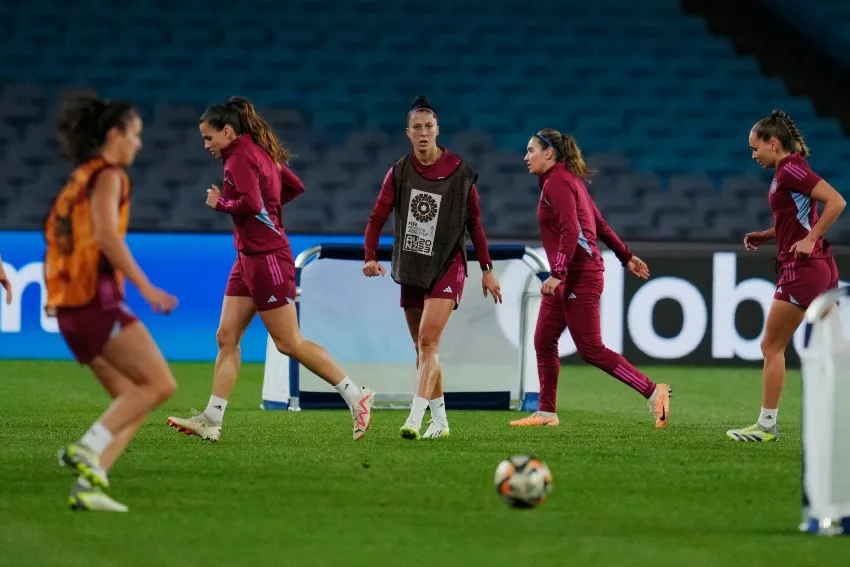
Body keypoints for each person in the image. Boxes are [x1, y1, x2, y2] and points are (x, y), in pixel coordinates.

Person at [167, 96, 374, 442]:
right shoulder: (261, 152)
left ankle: (357, 396)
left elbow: (249, 203)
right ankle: (212, 419)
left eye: (208, 137)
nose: (206, 145)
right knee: (226, 337)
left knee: (288, 342)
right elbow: (294, 187)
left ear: (228, 132)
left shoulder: (239, 159)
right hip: (248, 257)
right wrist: (270, 210)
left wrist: (222, 204)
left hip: (266, 259)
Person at [46, 94, 179, 512]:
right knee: (160, 384)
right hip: (95, 301)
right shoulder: (110, 176)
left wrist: (56, 294)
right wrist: (146, 287)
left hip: (70, 306)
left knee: (129, 398)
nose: (138, 144)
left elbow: (59, 237)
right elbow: (106, 237)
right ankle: (88, 448)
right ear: (114, 135)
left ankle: (89, 487)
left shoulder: (78, 178)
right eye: (135, 134)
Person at [363, 95, 502, 440]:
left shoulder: (461, 172)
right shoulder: (398, 172)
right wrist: (369, 256)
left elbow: (476, 224)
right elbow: (376, 217)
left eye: (429, 127)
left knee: (428, 342)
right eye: (417, 128)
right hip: (411, 265)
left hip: (448, 264)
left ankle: (414, 417)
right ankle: (440, 421)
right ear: (407, 133)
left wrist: (486, 267)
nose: (423, 132)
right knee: (423, 348)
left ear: (438, 130)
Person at [511, 129, 671, 428]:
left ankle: (654, 391)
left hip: (579, 275)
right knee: (543, 340)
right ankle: (546, 413)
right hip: (573, 274)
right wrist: (626, 256)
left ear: (549, 153)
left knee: (591, 349)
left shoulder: (558, 183)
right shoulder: (567, 181)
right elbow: (598, 223)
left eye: (531, 150)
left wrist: (557, 274)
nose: (526, 156)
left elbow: (572, 231)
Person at [727, 110, 845, 442]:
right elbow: (796, 217)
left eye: (756, 148)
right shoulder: (787, 169)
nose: (753, 155)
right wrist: (768, 234)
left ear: (773, 143)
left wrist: (808, 239)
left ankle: (766, 425)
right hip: (819, 265)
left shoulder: (791, 169)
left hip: (803, 269)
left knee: (771, 346)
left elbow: (836, 201)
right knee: (836, 349)